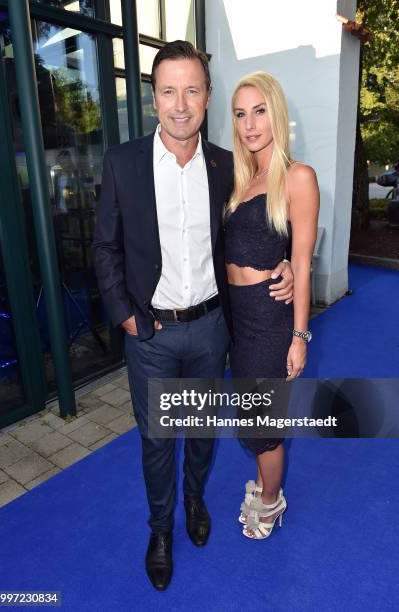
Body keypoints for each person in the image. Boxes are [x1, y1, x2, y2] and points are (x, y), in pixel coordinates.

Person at [93, 42, 293, 590]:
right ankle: (160, 529)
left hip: (211, 330)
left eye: (192, 90)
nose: (180, 104)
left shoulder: (227, 166)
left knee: (201, 432)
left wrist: (290, 264)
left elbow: (271, 212)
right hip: (150, 332)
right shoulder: (123, 162)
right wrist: (126, 317)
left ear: (206, 97)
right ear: (154, 98)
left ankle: (196, 501)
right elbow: (104, 248)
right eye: (168, 91)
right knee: (157, 441)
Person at [225, 71, 319, 539]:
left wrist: (300, 336)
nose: (249, 124)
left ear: (276, 113)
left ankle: (270, 499)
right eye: (241, 114)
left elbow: (301, 262)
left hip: (268, 318)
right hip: (235, 318)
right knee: (250, 412)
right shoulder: (241, 178)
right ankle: (264, 483)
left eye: (259, 111)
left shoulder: (297, 176)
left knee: (262, 425)